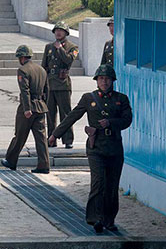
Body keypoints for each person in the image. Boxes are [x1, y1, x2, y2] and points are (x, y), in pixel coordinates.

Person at [49, 64, 132, 233]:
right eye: (101, 79)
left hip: (115, 148)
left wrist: (111, 123)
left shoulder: (121, 99)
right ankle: (95, 219)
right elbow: (72, 116)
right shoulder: (89, 98)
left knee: (112, 185)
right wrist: (55, 134)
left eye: (107, 79)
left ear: (113, 81)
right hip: (96, 148)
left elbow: (127, 120)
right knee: (98, 182)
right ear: (96, 81)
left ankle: (109, 219)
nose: (104, 82)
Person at [1, 45, 50, 174]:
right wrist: (44, 104)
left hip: (28, 107)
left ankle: (11, 160)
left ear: (22, 57)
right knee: (41, 138)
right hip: (40, 106)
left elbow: (25, 90)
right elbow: (46, 90)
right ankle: (44, 164)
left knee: (20, 135)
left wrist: (27, 108)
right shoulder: (41, 70)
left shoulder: (23, 70)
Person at [42, 20, 79, 149]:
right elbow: (44, 67)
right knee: (50, 114)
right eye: (56, 30)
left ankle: (68, 139)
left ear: (66, 32)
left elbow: (68, 60)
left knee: (66, 113)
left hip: (63, 85)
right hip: (50, 84)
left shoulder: (73, 47)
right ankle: (52, 139)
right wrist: (43, 85)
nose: (58, 32)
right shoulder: (49, 47)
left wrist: (61, 49)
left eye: (61, 30)